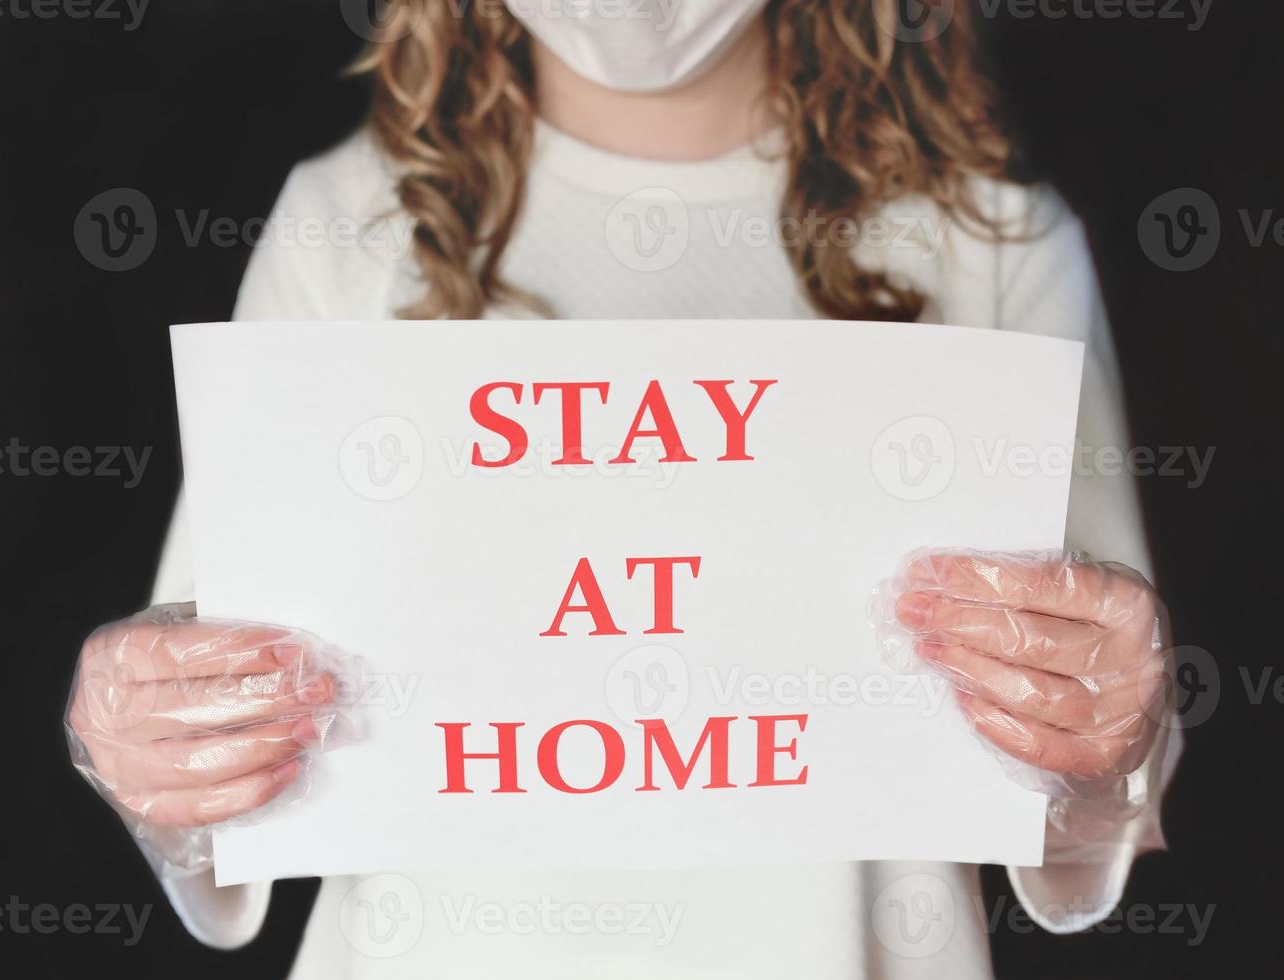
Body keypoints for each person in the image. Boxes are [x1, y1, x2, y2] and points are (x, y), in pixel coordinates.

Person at [65, 2, 1179, 976]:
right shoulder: (339, 229)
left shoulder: (994, 247)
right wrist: (154, 740)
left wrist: (1112, 737)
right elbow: (209, 784)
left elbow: (1088, 810)